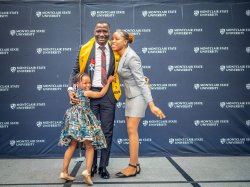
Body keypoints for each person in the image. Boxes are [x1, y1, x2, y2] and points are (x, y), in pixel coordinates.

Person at [68, 21, 121, 179]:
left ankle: (103, 167)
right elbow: (75, 71)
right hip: (89, 95)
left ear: (109, 32)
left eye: (105, 31)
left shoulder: (115, 48)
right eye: (99, 31)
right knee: (90, 134)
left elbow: (126, 66)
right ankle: (90, 167)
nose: (102, 34)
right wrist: (71, 89)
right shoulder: (85, 49)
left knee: (107, 132)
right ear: (94, 32)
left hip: (108, 96)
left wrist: (141, 77)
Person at [111, 30, 166, 178]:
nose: (113, 41)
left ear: (125, 42)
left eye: (116, 39)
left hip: (139, 96)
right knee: (131, 130)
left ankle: (132, 167)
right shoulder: (120, 54)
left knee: (131, 129)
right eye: (112, 39)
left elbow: (141, 83)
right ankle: (136, 164)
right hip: (130, 96)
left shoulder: (132, 56)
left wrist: (152, 105)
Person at [59, 73, 115, 185]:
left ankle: (64, 171)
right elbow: (101, 94)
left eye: (89, 82)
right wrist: (108, 82)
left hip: (73, 120)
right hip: (83, 120)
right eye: (85, 83)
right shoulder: (86, 92)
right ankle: (87, 172)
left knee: (72, 145)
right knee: (89, 146)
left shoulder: (74, 94)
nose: (88, 85)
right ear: (78, 84)